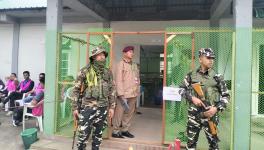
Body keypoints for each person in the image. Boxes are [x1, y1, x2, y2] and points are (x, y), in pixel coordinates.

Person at [179, 48, 230, 150]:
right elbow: (181, 89)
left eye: (212, 58)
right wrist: (192, 98)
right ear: (200, 59)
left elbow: (226, 96)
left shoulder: (217, 77)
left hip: (211, 117)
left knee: (214, 145)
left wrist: (215, 109)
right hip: (194, 116)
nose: (211, 60)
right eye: (208, 57)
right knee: (191, 144)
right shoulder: (191, 75)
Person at [72, 47, 115, 150]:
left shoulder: (107, 72)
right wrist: (75, 108)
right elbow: (76, 90)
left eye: (103, 55)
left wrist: (112, 106)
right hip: (87, 108)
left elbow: (112, 89)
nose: (102, 57)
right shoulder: (84, 71)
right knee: (83, 135)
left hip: (103, 108)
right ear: (93, 57)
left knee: (98, 135)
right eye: (99, 55)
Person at [112, 46, 140, 138]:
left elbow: (137, 78)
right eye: (130, 52)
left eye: (132, 52)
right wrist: (120, 94)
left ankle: (125, 130)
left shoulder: (134, 65)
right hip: (123, 94)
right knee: (119, 113)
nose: (132, 53)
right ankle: (115, 131)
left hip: (133, 94)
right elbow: (118, 80)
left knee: (129, 113)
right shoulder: (120, 64)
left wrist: (137, 89)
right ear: (124, 53)